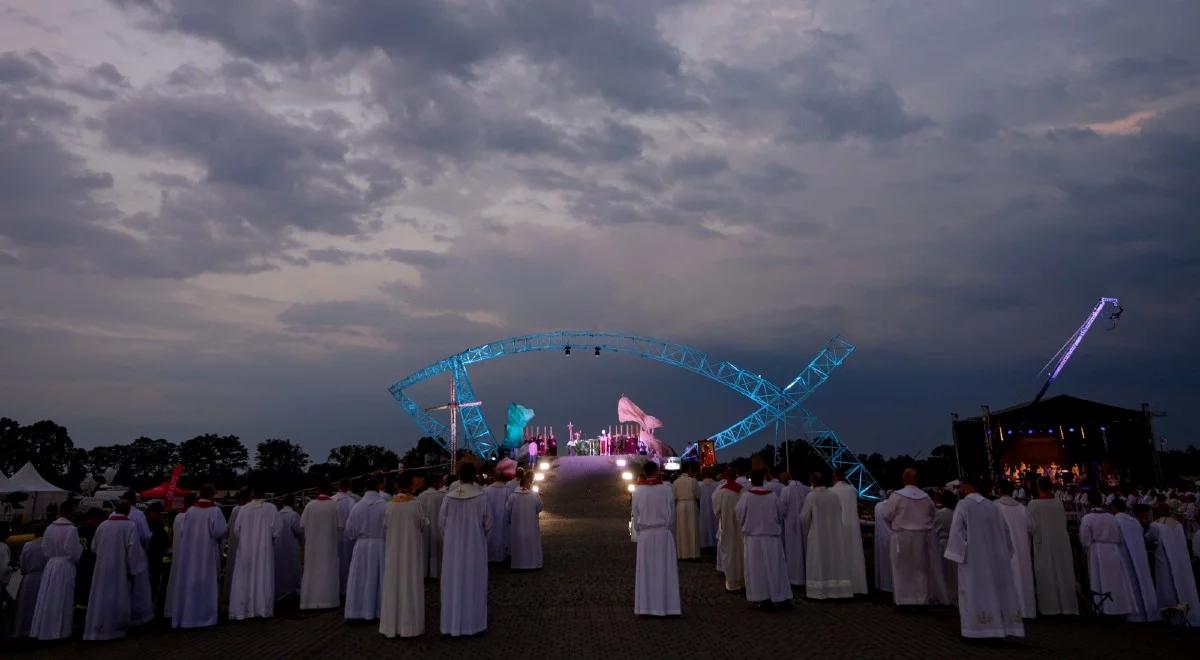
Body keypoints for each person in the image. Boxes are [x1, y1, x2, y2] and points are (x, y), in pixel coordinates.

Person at [944, 475, 1024, 639]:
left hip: (973, 559)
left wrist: (957, 553)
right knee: (995, 591)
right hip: (995, 558)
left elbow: (957, 533)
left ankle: (976, 629)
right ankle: (999, 626)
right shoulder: (993, 507)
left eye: (961, 486)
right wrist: (1004, 553)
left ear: (966, 486)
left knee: (974, 592)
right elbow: (1006, 534)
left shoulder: (964, 505)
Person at [84, 500, 149, 641]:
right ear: (127, 512)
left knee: (101, 596)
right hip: (120, 569)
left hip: (102, 569)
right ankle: (115, 628)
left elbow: (94, 547)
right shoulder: (129, 526)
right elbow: (134, 551)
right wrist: (134, 569)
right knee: (117, 596)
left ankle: (98, 627)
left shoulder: (103, 525)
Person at [883, 470, 948, 606]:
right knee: (920, 569)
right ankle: (921, 599)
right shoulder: (925, 497)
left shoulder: (896, 496)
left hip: (901, 537)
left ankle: (904, 600)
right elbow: (933, 515)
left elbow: (887, 515)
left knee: (901, 569)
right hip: (922, 537)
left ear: (903, 479)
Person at [440, 462, 491, 636]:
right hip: (474, 547)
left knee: (452, 583)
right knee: (473, 583)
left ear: (459, 476)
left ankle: (451, 624)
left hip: (452, 549)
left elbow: (442, 524)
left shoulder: (448, 497)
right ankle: (473, 624)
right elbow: (488, 524)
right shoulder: (481, 497)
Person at [167, 484, 227, 629]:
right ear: (212, 495)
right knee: (206, 584)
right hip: (207, 555)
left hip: (190, 555)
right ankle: (205, 617)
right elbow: (219, 531)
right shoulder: (215, 511)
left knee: (190, 584)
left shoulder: (190, 512)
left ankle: (188, 615)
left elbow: (182, 531)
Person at [380, 472, 427, 638]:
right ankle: (411, 625)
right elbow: (423, 524)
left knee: (394, 584)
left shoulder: (389, 505)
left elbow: (385, 528)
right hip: (411, 552)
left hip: (394, 551)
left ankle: (391, 625)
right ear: (410, 485)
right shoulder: (416, 504)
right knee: (410, 584)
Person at [735, 469, 791, 608]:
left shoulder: (747, 496)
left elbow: (739, 514)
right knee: (775, 568)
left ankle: (760, 597)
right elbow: (781, 512)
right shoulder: (772, 496)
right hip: (771, 537)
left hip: (753, 539)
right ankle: (778, 595)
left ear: (751, 480)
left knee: (756, 570)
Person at [631, 461, 680, 616]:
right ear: (657, 471)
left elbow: (635, 514)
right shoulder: (666, 490)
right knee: (664, 570)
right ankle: (667, 607)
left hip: (645, 536)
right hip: (663, 534)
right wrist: (667, 528)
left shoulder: (638, 491)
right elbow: (672, 514)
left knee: (646, 571)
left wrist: (639, 531)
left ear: (644, 472)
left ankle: (645, 607)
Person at [30, 499, 82, 640]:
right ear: (70, 511)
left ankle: (44, 628)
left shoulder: (50, 528)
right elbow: (74, 551)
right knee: (62, 596)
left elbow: (45, 549)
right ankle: (59, 630)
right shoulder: (71, 529)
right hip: (65, 565)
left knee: (48, 596)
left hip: (51, 565)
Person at [1026, 477, 1079, 615]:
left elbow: (1030, 527)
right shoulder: (1058, 503)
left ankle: (1050, 608)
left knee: (1046, 573)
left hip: (1043, 543)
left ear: (1038, 487)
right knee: (1062, 572)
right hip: (1060, 543)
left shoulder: (1033, 504)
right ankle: (1067, 606)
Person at [229, 484, 281, 621]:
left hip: (246, 549)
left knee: (245, 578)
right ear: (264, 494)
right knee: (262, 576)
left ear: (252, 494)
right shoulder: (271, 509)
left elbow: (236, 530)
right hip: (264, 550)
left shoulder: (244, 509)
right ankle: (262, 608)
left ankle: (243, 609)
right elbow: (277, 530)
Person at [1079, 491, 1134, 616]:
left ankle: (1103, 607)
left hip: (1097, 550)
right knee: (1115, 579)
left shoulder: (1087, 518)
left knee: (1099, 578)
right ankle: (1119, 606)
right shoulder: (1112, 518)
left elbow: (1085, 539)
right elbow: (1119, 536)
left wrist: (1086, 549)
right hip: (1113, 550)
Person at [800, 471, 853, 600]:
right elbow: (840, 512)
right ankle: (838, 590)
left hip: (818, 534)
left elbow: (804, 518)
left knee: (818, 561)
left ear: (813, 482)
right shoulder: (834, 496)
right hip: (834, 533)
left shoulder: (811, 496)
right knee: (834, 560)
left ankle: (818, 592)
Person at [1146, 505, 1200, 626]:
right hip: (1181, 560)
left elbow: (1149, 538)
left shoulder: (1155, 525)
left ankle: (1168, 614)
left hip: (1163, 561)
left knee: (1166, 587)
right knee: (1182, 584)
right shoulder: (1178, 524)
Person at [346, 475, 389, 621]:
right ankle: (378, 610)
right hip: (381, 545)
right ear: (378, 486)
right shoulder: (385, 505)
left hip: (362, 546)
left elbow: (350, 531)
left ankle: (358, 610)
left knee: (361, 578)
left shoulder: (357, 506)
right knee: (379, 578)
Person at [1111, 498, 1158, 622]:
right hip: (1140, 558)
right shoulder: (1134, 522)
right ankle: (1147, 610)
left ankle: (1132, 612)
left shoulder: (1115, 521)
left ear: (1114, 508)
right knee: (1141, 582)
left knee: (1128, 584)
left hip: (1123, 557)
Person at [993, 481, 1035, 618]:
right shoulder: (1022, 508)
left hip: (1003, 549)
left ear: (999, 490)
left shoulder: (995, 507)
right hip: (1022, 549)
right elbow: (1031, 528)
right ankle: (1025, 610)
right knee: (1022, 579)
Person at [300, 484, 341, 610]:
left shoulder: (309, 506)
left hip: (313, 547)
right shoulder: (335, 505)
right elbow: (340, 526)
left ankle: (310, 601)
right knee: (328, 571)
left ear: (318, 490)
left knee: (312, 571)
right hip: (329, 546)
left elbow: (302, 525)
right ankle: (328, 600)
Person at [830, 469, 868, 595]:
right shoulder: (852, 490)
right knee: (853, 553)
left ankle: (839, 585)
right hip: (852, 527)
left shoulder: (831, 491)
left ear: (834, 477)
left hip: (838, 526)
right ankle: (857, 585)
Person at [120, 490, 154, 627]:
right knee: (139, 587)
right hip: (137, 551)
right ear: (134, 500)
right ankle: (140, 617)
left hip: (119, 555)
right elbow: (146, 535)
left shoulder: (112, 514)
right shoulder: (138, 514)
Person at [711, 467, 745, 592]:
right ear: (736, 476)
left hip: (726, 525)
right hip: (740, 526)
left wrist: (722, 517)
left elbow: (716, 510)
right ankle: (743, 580)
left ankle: (732, 583)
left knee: (729, 553)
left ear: (725, 477)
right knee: (741, 552)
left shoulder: (721, 491)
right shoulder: (742, 490)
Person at [11, 523, 47, 638]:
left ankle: (22, 631)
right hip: (44, 578)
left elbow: (23, 564)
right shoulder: (48, 546)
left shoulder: (28, 545)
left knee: (24, 606)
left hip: (29, 578)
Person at [507, 471, 544, 570]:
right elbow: (540, 507)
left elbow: (507, 508)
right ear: (527, 484)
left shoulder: (513, 496)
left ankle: (518, 564)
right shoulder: (533, 495)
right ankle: (532, 563)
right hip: (531, 524)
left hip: (517, 524)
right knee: (531, 542)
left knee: (518, 542)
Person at [780, 472, 810, 588]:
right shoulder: (807, 489)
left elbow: (782, 508)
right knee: (805, 549)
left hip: (790, 525)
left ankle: (794, 577)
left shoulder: (786, 491)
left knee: (793, 551)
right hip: (805, 524)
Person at [417, 474, 448, 579]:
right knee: (436, 549)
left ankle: (424, 572)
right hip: (436, 527)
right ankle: (436, 572)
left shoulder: (421, 496)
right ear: (436, 483)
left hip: (424, 528)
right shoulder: (441, 496)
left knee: (424, 549)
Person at [332, 478, 359, 597]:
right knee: (348, 560)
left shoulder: (332, 500)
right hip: (347, 533)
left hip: (334, 532)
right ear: (349, 487)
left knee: (336, 560)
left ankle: (336, 586)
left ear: (338, 486)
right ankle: (347, 587)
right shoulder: (351, 500)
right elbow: (353, 519)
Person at [275, 494, 303, 601]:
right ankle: (293, 589)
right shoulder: (293, 515)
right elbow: (300, 531)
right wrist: (302, 542)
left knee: (281, 567)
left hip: (279, 546)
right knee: (293, 568)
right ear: (292, 502)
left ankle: (282, 589)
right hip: (291, 545)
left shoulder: (277, 514)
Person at [145, 501, 170, 619]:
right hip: (151, 558)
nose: (160, 514)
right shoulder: (150, 524)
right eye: (159, 512)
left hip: (157, 560)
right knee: (152, 586)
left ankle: (154, 610)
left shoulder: (158, 524)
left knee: (155, 585)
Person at [932, 490, 957, 604]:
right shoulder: (956, 512)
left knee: (945, 572)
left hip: (943, 544)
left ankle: (946, 596)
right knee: (954, 572)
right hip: (955, 544)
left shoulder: (941, 513)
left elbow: (934, 529)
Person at [672, 465, 701, 560]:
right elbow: (698, 495)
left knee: (681, 529)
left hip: (680, 505)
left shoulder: (676, 482)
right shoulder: (693, 481)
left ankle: (682, 554)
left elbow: (674, 496)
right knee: (693, 528)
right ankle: (694, 554)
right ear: (689, 470)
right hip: (691, 505)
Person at [484, 472, 511, 564]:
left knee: (490, 535)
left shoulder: (487, 490)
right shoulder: (507, 490)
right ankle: (501, 556)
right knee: (502, 535)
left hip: (490, 515)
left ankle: (489, 556)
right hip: (503, 516)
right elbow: (509, 504)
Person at [873, 494, 893, 593]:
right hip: (893, 537)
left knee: (882, 563)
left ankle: (882, 585)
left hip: (880, 538)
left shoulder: (877, 506)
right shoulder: (891, 506)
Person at [698, 468, 719, 549]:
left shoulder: (700, 485)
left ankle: (705, 543)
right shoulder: (716, 485)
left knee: (704, 524)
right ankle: (714, 542)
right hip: (713, 508)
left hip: (703, 508)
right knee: (714, 524)